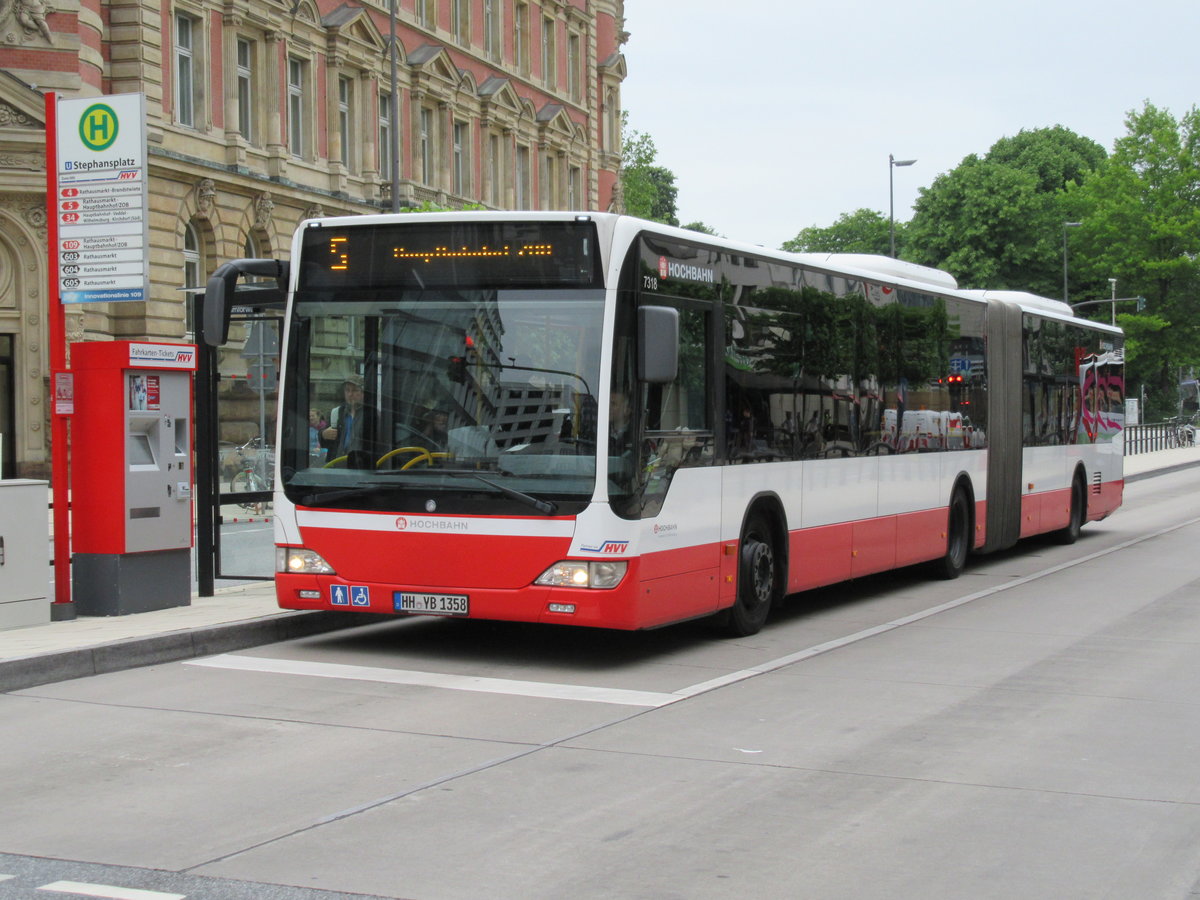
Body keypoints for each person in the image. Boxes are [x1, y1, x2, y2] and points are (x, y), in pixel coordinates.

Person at [321, 374, 369, 464]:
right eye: (347, 390)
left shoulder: (370, 415)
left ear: (363, 393)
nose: (350, 394)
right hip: (337, 467)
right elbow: (326, 442)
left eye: (355, 390)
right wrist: (323, 434)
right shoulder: (336, 413)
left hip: (360, 468)